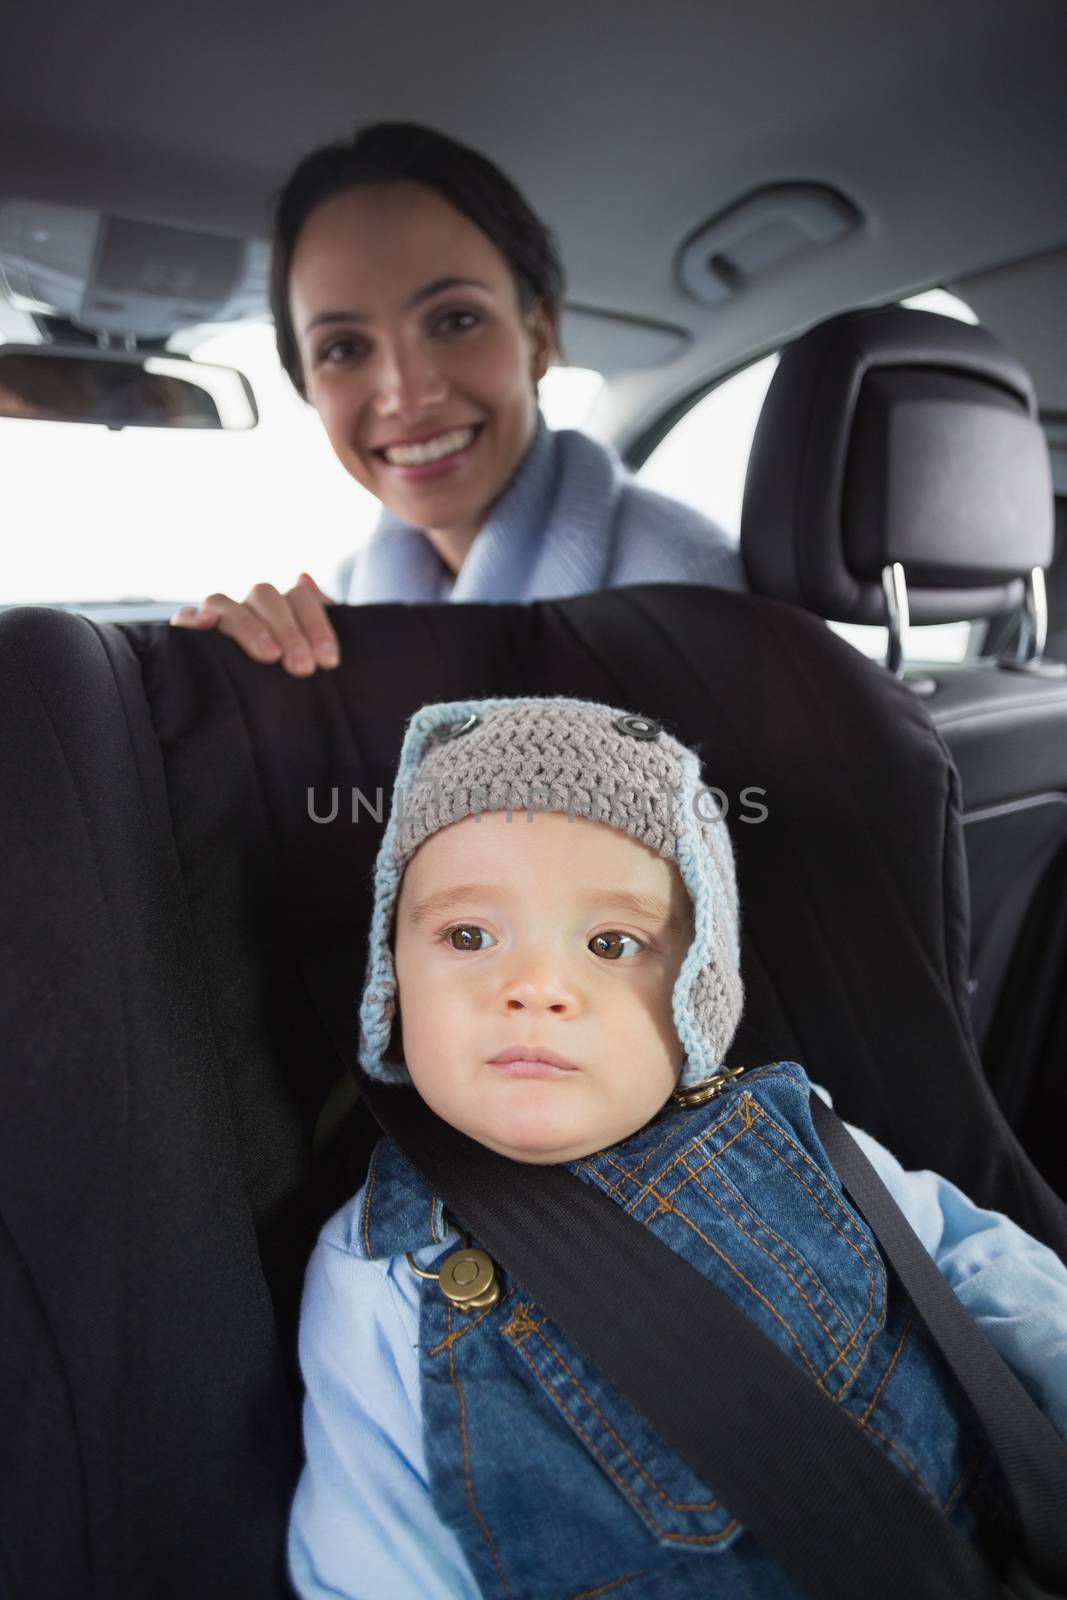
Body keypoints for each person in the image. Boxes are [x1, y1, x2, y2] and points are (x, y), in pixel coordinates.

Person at [287, 695, 1067, 1600]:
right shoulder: (378, 1271)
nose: (535, 986)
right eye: (468, 936)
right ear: (394, 977)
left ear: (697, 987)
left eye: (611, 942)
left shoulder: (789, 1126)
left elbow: (970, 1263)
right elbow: (371, 1559)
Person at [170, 124, 746, 677]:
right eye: (343, 349)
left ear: (538, 339)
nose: (407, 393)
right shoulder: (350, 606)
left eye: (456, 320)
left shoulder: (685, 592)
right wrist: (249, 690)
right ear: (307, 385)